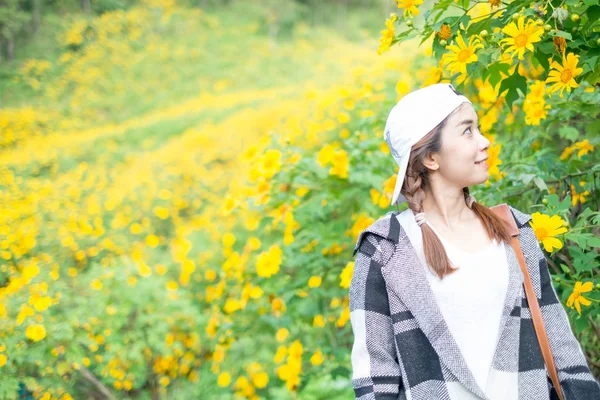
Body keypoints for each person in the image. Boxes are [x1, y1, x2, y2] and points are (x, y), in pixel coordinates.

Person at [348, 83, 600, 400]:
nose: (485, 142)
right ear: (431, 158)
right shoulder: (384, 248)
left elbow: (563, 353)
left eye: (478, 128)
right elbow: (374, 379)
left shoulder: (514, 230)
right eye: (467, 132)